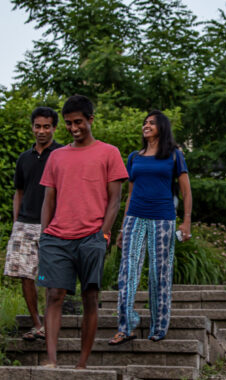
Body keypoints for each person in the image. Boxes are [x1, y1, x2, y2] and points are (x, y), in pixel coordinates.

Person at [37, 95, 128, 368]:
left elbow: (115, 199)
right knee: (54, 295)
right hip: (56, 237)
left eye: (78, 122)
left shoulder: (109, 152)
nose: (74, 128)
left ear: (90, 119)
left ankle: (82, 364)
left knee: (90, 297)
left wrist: (104, 233)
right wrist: (44, 235)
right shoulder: (56, 156)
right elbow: (48, 200)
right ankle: (52, 361)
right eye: (68, 123)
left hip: (92, 236)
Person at [108, 110, 192, 345]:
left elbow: (186, 190)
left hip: (163, 219)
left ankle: (158, 327)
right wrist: (123, 228)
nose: (146, 125)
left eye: (152, 123)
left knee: (159, 274)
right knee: (128, 273)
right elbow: (130, 193)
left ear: (162, 128)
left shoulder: (174, 155)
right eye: (144, 122)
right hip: (135, 217)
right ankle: (126, 327)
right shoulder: (135, 157)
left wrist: (186, 221)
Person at [4, 107, 62, 341]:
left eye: (46, 126)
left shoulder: (61, 154)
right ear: (32, 128)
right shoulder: (24, 158)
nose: (41, 131)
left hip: (54, 224)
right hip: (25, 224)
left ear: (54, 128)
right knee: (24, 274)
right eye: (37, 126)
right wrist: (17, 220)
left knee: (51, 276)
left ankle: (50, 323)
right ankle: (37, 323)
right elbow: (19, 191)